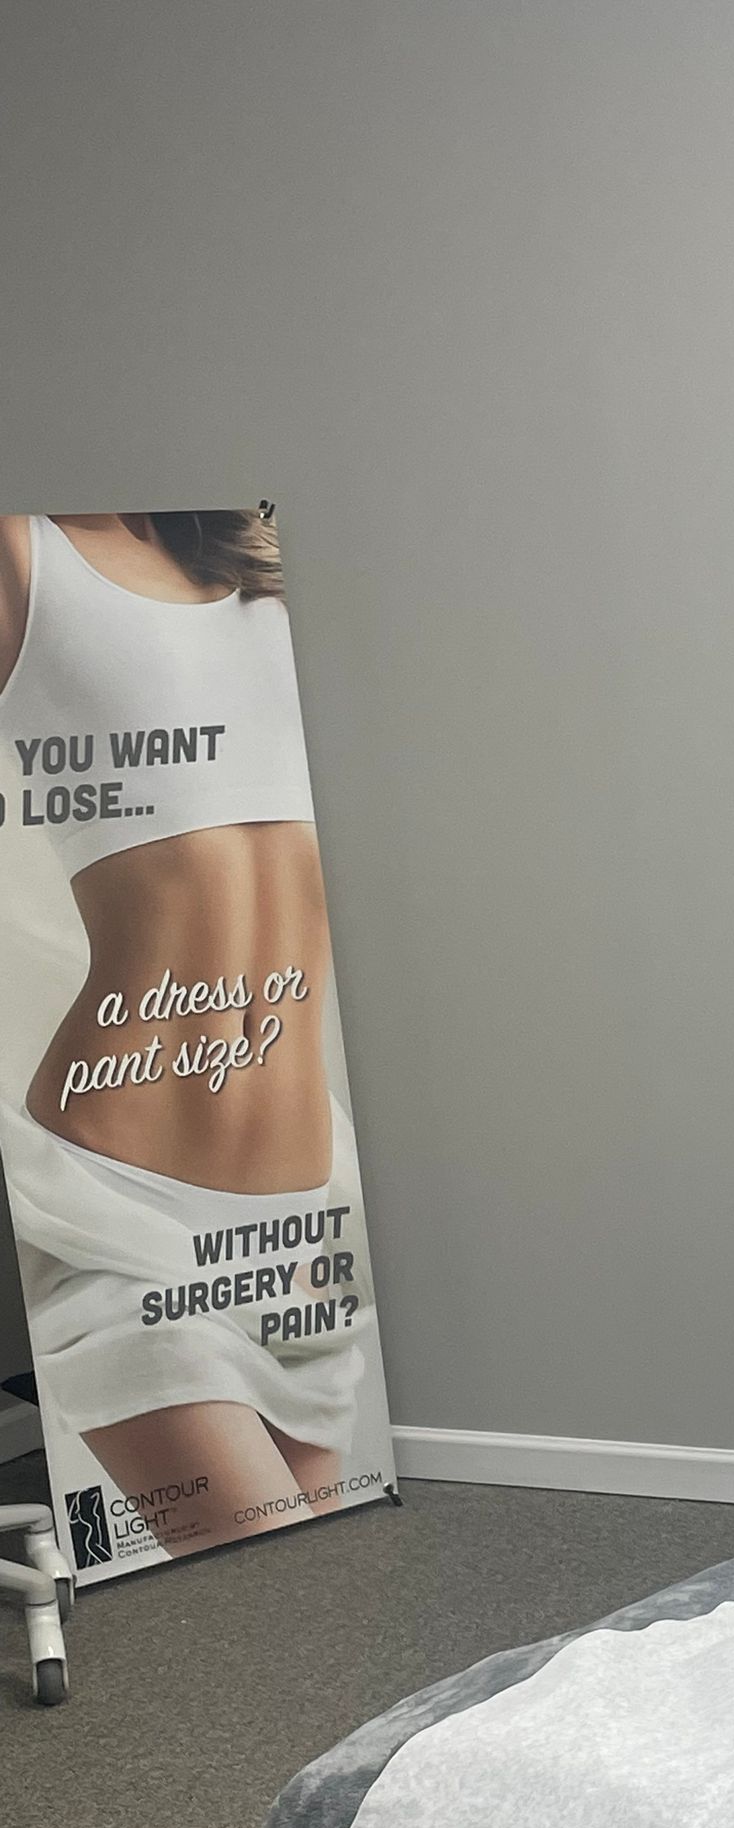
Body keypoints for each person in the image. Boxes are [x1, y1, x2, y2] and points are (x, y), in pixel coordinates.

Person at [0, 510, 361, 1554]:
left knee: (323, 1572)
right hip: (120, 1211)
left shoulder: (263, 556)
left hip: (300, 1226)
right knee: (276, 1577)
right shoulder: (21, 552)